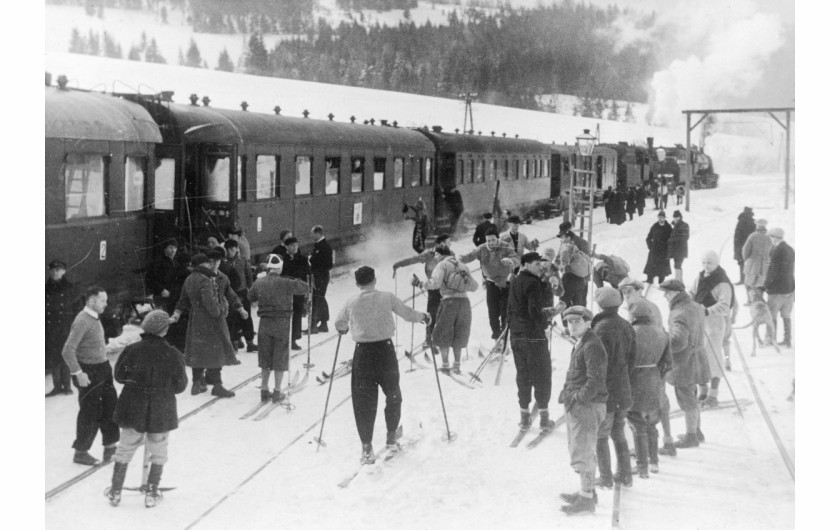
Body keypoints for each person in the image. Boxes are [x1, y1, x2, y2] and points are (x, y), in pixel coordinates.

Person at [334, 266, 430, 464]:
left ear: (357, 283)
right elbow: (407, 313)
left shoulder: (351, 301)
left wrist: (345, 328)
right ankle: (391, 437)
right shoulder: (387, 297)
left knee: (363, 401)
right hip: (385, 352)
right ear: (374, 280)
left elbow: (339, 324)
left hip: (363, 355)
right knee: (393, 394)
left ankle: (366, 449)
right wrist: (424, 317)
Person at [106, 310, 188, 507]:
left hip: (133, 407)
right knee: (158, 450)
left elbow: (119, 376)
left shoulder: (132, 349)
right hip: (161, 408)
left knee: (125, 448)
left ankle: (115, 491)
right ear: (164, 330)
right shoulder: (173, 353)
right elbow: (180, 385)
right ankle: (151, 492)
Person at [171, 253, 247, 398]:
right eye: (209, 262)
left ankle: (197, 381)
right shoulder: (206, 280)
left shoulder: (194, 279)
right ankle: (216, 385)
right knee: (216, 349)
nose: (213, 265)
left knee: (199, 349)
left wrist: (177, 313)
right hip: (212, 320)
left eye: (216, 262)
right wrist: (220, 313)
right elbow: (210, 303)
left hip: (196, 320)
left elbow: (230, 294)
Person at [557, 306, 608, 516]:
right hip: (582, 405)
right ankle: (587, 493)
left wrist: (577, 398)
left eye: (578, 321)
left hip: (587, 406)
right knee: (582, 449)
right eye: (569, 322)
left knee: (583, 452)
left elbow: (595, 381)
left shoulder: (591, 345)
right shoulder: (583, 342)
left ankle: (586, 500)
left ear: (589, 322)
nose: (572, 325)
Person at [618, 278, 676, 457]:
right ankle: (665, 440)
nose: (626, 295)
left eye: (629, 291)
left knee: (648, 405)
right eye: (624, 292)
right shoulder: (644, 306)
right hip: (656, 364)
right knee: (657, 402)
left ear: (639, 290)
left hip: (650, 363)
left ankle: (651, 446)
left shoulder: (641, 307)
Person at [62, 286, 119, 465]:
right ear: (92, 300)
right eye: (103, 300)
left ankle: (110, 447)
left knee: (110, 406)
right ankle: (81, 451)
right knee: (90, 412)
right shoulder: (82, 320)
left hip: (102, 367)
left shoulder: (94, 317)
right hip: (88, 372)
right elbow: (67, 351)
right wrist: (78, 373)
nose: (106, 304)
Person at [508, 252, 560, 432]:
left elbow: (511, 309)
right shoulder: (533, 283)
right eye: (537, 264)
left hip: (516, 335)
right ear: (526, 264)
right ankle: (544, 419)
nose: (540, 267)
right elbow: (534, 311)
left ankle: (524, 418)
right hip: (533, 335)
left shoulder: (514, 280)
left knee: (523, 374)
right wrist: (545, 321)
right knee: (542, 374)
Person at [248, 254, 310, 403]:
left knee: (265, 357)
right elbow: (305, 288)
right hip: (282, 324)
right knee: (280, 357)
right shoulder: (286, 282)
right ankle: (277, 391)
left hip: (265, 323)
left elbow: (250, 296)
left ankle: (264, 389)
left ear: (267, 267)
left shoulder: (259, 282)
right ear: (280, 267)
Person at [591, 287, 636, 488]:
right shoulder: (627, 326)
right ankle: (625, 474)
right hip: (623, 389)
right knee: (618, 432)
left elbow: (596, 365)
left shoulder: (600, 329)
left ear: (600, 305)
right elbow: (632, 359)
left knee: (601, 435)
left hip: (606, 393)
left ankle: (606, 477)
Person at [658, 279, 710, 449]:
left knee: (687, 400)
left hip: (684, 363)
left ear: (674, 293)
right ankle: (698, 431)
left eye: (666, 293)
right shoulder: (696, 306)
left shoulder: (679, 312)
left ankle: (691, 437)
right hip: (698, 358)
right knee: (692, 396)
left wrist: (663, 340)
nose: (665, 296)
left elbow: (678, 341)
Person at [414, 245, 479, 373]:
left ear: (441, 254)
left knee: (444, 332)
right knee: (459, 333)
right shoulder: (462, 265)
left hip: (449, 302)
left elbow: (435, 284)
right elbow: (474, 286)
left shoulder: (442, 265)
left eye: (436, 255)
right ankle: (457, 365)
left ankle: (445, 365)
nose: (435, 258)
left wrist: (419, 284)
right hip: (465, 303)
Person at [626, 300, 672, 478]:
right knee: (652, 424)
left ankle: (642, 466)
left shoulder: (630, 333)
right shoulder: (661, 333)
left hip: (634, 382)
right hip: (654, 381)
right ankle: (654, 462)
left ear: (634, 315)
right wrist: (657, 376)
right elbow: (668, 363)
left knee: (637, 425)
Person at [690, 250, 736, 406]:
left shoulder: (722, 282)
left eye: (709, 263)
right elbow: (692, 293)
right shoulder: (700, 277)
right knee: (697, 357)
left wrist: (707, 310)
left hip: (715, 324)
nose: (706, 266)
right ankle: (702, 391)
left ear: (716, 264)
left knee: (713, 358)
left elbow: (725, 306)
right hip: (699, 323)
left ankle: (713, 395)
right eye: (703, 262)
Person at [460, 226, 520, 339]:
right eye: (488, 240)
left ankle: (505, 336)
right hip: (491, 284)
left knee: (505, 312)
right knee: (493, 313)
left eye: (493, 240)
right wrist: (461, 259)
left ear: (497, 239)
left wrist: (511, 261)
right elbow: (470, 256)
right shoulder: (482, 249)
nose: (491, 243)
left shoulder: (505, 246)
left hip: (505, 284)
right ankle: (497, 336)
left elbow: (517, 259)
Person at [394, 234, 451, 348]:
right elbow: (414, 259)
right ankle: (428, 337)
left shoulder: (449, 254)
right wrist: (399, 264)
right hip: (432, 288)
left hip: (446, 288)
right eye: (448, 242)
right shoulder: (429, 254)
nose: (450, 245)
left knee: (446, 313)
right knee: (432, 312)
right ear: (441, 243)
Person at [145, 239, 190, 351]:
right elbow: (149, 279)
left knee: (173, 321)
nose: (173, 250)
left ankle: (173, 347)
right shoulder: (157, 262)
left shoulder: (177, 263)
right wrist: (160, 290)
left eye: (174, 248)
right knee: (162, 321)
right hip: (162, 297)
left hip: (174, 297)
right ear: (164, 249)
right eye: (170, 247)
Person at [46, 259, 77, 397]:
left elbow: (77, 309)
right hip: (51, 328)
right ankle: (57, 386)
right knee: (54, 358)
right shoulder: (46, 288)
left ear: (63, 271)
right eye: (52, 270)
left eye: (58, 270)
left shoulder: (69, 288)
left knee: (65, 357)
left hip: (65, 327)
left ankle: (67, 386)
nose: (55, 272)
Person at [220, 239, 256, 352]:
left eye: (232, 249)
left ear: (236, 249)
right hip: (230, 294)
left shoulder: (243, 261)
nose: (230, 251)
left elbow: (249, 277)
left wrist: (252, 291)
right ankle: (234, 342)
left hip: (243, 292)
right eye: (227, 249)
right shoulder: (223, 263)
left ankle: (250, 342)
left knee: (247, 318)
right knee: (232, 319)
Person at [763, 228, 795, 347]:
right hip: (789, 289)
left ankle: (772, 338)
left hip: (777, 290)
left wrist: (765, 285)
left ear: (775, 237)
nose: (770, 240)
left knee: (772, 314)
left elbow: (773, 271)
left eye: (770, 237)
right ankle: (787, 339)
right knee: (786, 315)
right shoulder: (790, 249)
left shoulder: (777, 250)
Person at [282, 236, 311, 350]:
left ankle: (293, 339)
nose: (295, 248)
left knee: (297, 315)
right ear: (287, 247)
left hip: (298, 292)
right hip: (286, 292)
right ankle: (284, 339)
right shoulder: (282, 258)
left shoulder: (302, 259)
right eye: (292, 246)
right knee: (285, 315)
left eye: (296, 245)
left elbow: (307, 273)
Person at [308, 225, 334, 334]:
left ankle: (315, 324)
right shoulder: (320, 245)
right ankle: (323, 323)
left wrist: (312, 261)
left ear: (318, 233)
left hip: (321, 276)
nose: (311, 235)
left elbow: (328, 264)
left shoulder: (323, 246)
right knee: (320, 298)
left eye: (313, 233)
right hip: (320, 275)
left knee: (317, 298)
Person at [741, 219, 772, 304]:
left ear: (757, 226)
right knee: (759, 284)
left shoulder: (752, 236)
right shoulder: (768, 238)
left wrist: (746, 259)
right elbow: (770, 252)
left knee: (749, 283)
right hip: (764, 266)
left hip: (753, 264)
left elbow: (745, 250)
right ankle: (758, 300)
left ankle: (750, 300)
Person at [557, 233, 591, 307]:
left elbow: (564, 259)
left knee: (564, 304)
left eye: (562, 238)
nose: (561, 240)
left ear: (568, 237)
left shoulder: (566, 246)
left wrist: (563, 266)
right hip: (582, 280)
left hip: (570, 279)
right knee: (579, 306)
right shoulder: (576, 247)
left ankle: (566, 319)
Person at [643, 211, 672, 285]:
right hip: (654, 250)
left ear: (664, 218)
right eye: (659, 217)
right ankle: (649, 280)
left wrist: (669, 250)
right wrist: (650, 247)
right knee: (651, 265)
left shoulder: (668, 227)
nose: (660, 219)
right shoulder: (655, 226)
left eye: (662, 217)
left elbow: (671, 240)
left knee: (662, 268)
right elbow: (648, 238)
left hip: (664, 251)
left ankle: (661, 282)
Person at [733, 207, 756, 285]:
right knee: (749, 262)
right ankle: (748, 280)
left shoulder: (740, 221)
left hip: (739, 245)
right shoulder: (752, 222)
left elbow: (737, 235)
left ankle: (742, 279)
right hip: (748, 245)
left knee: (741, 262)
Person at [668, 210, 690, 282]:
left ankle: (678, 282)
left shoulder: (685, 225)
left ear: (680, 217)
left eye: (677, 217)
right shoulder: (674, 226)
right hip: (675, 250)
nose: (676, 218)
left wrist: (673, 239)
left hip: (681, 249)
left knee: (677, 265)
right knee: (677, 265)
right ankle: (680, 282)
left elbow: (686, 237)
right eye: (674, 217)